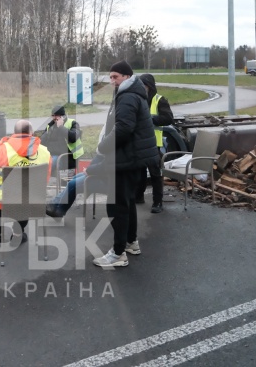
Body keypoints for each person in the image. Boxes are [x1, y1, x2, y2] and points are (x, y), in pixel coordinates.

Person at [92, 60, 158, 268]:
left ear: (127, 77)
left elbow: (123, 128)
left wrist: (103, 146)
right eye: (110, 77)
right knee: (127, 203)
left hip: (126, 159)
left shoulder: (128, 96)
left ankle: (118, 253)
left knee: (117, 206)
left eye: (116, 77)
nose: (112, 81)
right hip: (133, 158)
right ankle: (131, 242)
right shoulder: (133, 93)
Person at [0, 119, 51, 244]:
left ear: (14, 133)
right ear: (31, 132)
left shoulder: (1, 150)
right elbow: (45, 179)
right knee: (24, 199)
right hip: (32, 200)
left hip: (5, 202)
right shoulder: (45, 152)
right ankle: (18, 234)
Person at [138, 73, 174, 213]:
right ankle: (139, 196)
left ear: (149, 86)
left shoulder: (159, 100)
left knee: (155, 174)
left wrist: (150, 119)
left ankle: (157, 202)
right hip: (140, 142)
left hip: (154, 143)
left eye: (144, 85)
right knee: (139, 172)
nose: (142, 88)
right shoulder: (139, 99)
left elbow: (168, 118)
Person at [40, 105, 84, 176]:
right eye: (52, 116)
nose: (54, 118)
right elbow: (41, 142)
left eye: (56, 116)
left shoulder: (72, 123)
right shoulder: (50, 126)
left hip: (67, 156)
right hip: (51, 155)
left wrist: (61, 127)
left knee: (50, 163)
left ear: (62, 116)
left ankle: (41, 181)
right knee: (39, 163)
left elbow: (73, 138)